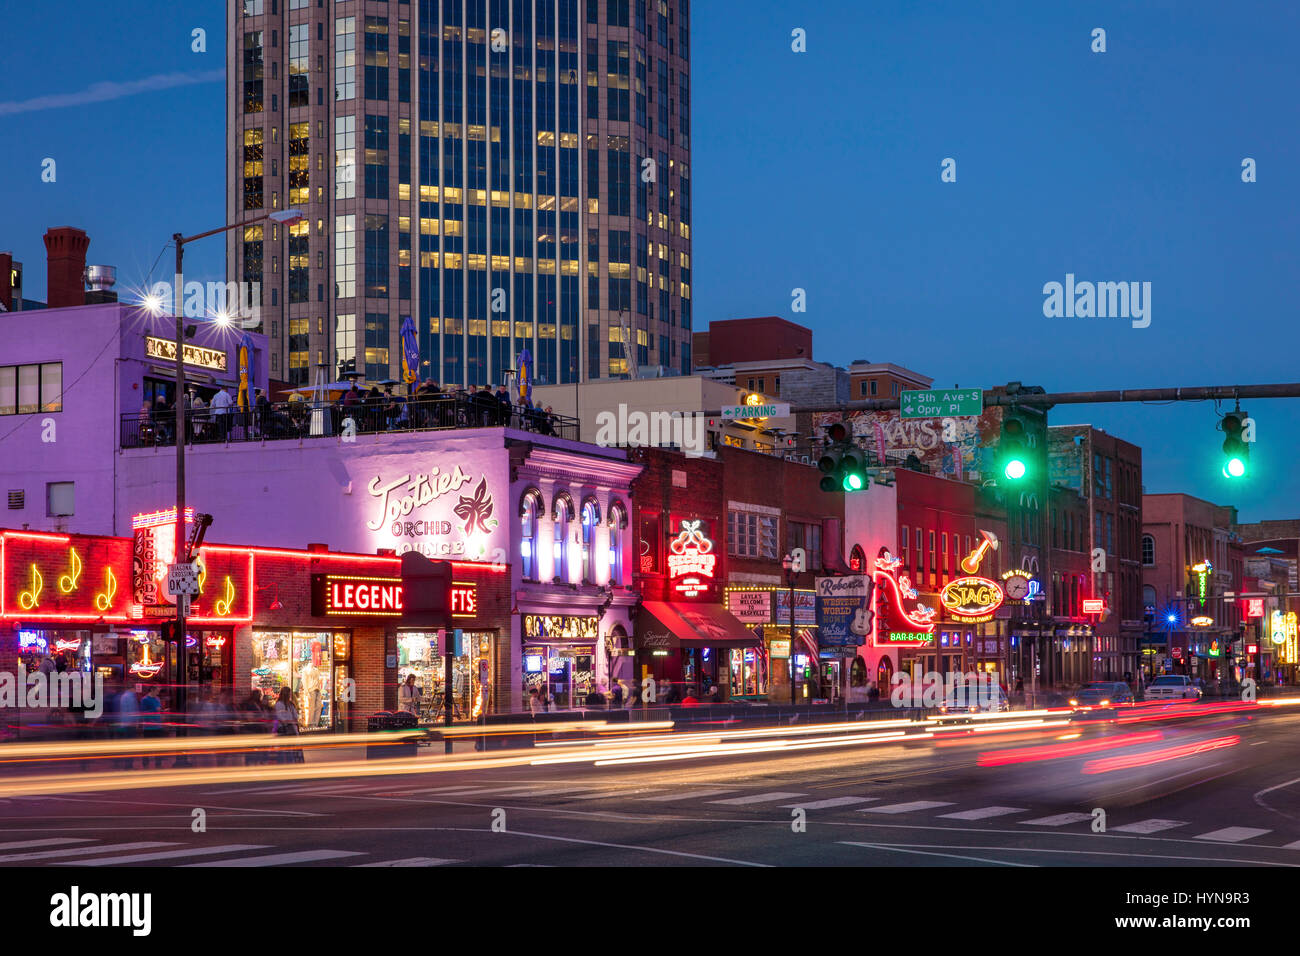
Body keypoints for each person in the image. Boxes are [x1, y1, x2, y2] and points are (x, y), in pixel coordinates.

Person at [272, 686, 303, 763]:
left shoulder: (290, 704)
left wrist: (293, 722)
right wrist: (291, 721)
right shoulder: (280, 704)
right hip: (284, 728)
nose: (289, 695)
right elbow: (281, 718)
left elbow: (295, 716)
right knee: (285, 747)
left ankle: (290, 761)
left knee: (290, 747)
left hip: (290, 728)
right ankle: (284, 761)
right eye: (288, 694)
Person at [138, 686, 164, 768]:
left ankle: (158, 764)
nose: (158, 693)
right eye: (157, 691)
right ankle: (145, 764)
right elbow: (143, 713)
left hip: (158, 726)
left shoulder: (157, 699)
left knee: (158, 747)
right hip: (148, 727)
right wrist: (155, 710)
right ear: (152, 690)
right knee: (147, 747)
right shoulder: (145, 700)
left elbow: (158, 710)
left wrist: (161, 711)